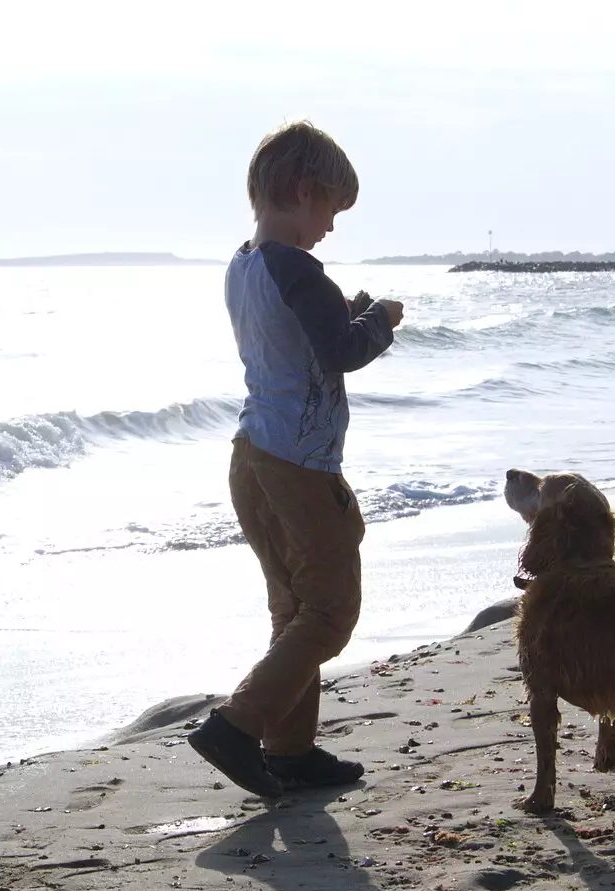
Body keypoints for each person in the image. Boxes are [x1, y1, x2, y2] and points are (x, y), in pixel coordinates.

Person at [188, 122, 404, 799]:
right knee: (330, 612)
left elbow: (303, 334)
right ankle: (236, 725)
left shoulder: (244, 263)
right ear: (304, 191)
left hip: (250, 456)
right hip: (300, 468)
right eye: (331, 212)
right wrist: (382, 322)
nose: (330, 230)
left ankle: (290, 749)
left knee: (292, 609)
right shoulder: (299, 267)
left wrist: (350, 314)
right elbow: (341, 350)